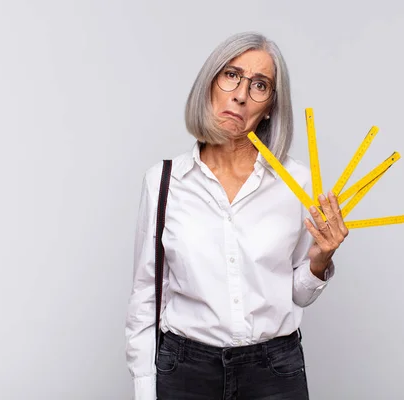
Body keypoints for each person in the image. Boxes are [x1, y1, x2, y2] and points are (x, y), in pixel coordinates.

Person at [125, 31, 349, 400]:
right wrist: (145, 387)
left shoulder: (298, 184)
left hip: (274, 372)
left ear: (272, 106)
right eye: (231, 75)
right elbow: (146, 297)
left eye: (260, 85)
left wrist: (320, 260)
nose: (241, 95)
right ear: (210, 83)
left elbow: (297, 294)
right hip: (184, 372)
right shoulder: (163, 183)